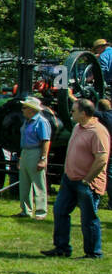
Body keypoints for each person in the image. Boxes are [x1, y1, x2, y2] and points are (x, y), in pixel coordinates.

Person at [42, 99, 109, 259]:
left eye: (73, 111)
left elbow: (102, 159)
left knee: (88, 219)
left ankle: (93, 253)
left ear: (84, 113)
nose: (71, 113)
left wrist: (87, 179)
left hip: (86, 183)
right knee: (60, 211)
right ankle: (61, 247)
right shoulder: (78, 127)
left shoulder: (98, 131)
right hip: (69, 180)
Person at [15, 96, 50, 219]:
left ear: (31, 109)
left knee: (38, 184)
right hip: (25, 152)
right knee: (24, 184)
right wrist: (21, 157)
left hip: (36, 152)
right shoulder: (26, 121)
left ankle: (41, 212)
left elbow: (46, 141)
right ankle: (26, 211)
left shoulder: (41, 122)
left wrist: (43, 158)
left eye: (24, 107)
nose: (22, 110)